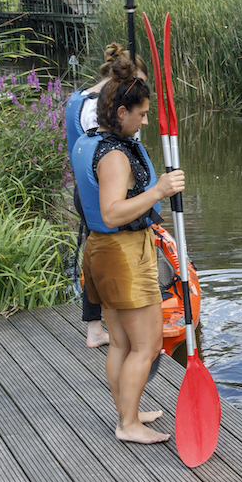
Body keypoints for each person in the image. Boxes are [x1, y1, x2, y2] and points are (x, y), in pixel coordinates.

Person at [71, 50, 184, 444]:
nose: (146, 120)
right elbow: (113, 211)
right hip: (122, 254)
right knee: (148, 345)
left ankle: (127, 411)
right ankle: (127, 424)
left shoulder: (90, 140)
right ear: (121, 112)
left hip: (102, 251)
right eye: (141, 114)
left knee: (119, 341)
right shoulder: (115, 155)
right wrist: (158, 190)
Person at [64, 45, 134, 350]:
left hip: (85, 189)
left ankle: (94, 327)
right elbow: (107, 153)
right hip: (100, 192)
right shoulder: (98, 109)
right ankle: (111, 326)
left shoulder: (78, 98)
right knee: (108, 258)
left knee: (93, 257)